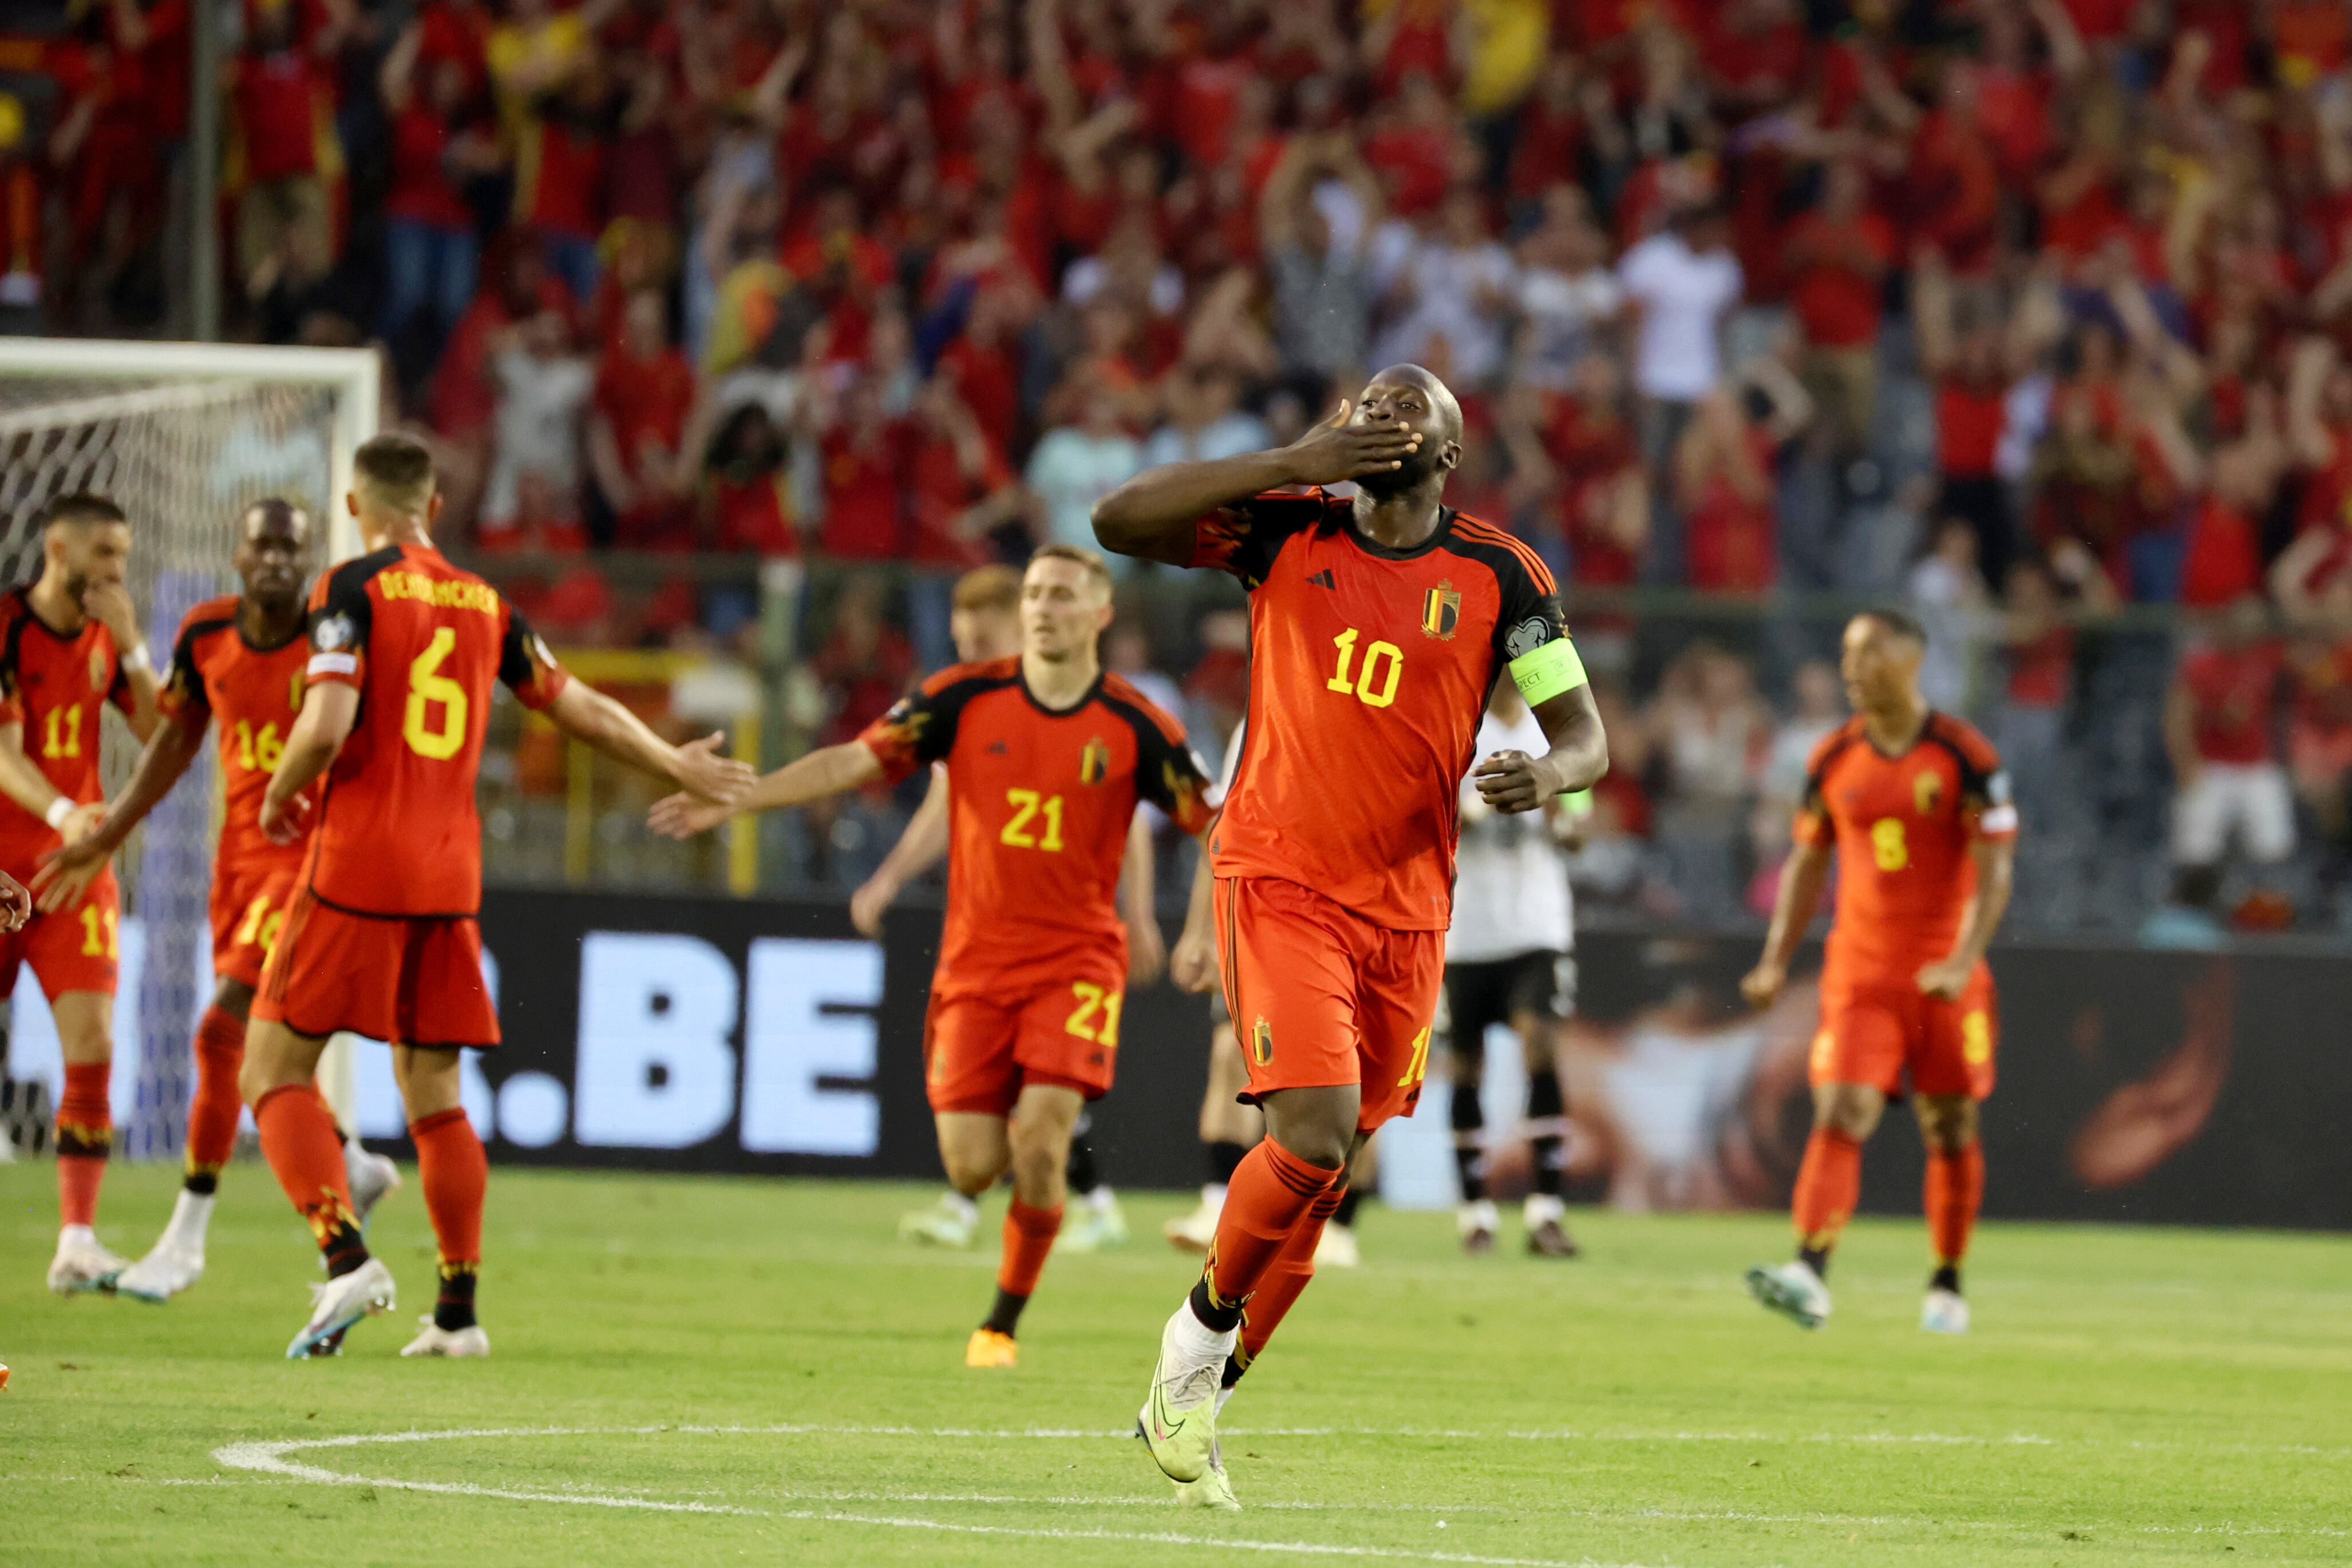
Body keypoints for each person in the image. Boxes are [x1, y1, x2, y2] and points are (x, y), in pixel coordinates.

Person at [1092, 364, 1607, 1507]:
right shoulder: (1280, 527)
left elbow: (1584, 736)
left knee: (1325, 1180)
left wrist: (1549, 775)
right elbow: (1113, 518)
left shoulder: (1499, 573)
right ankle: (1192, 1340)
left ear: (1448, 452)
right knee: (1314, 1133)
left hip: (1410, 908)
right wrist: (1288, 463)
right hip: (1278, 873)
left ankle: (1192, 1403)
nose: (1382, 422)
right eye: (1365, 408)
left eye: (1405, 412)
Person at [239, 434, 753, 1360]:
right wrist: (673, 760)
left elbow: (324, 723)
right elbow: (577, 704)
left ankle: (344, 1256)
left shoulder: (346, 588)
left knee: (270, 1069)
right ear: (435, 510)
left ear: (355, 508)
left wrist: (280, 790)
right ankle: (458, 1314)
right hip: (448, 877)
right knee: (434, 1089)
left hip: (356, 866)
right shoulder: (487, 604)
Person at [652, 547, 1212, 1369]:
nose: (1042, 608)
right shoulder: (962, 701)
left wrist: (1202, 926)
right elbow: (853, 759)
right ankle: (1002, 1238)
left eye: (1062, 596)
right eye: (1033, 595)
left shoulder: (1138, 724)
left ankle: (1002, 1322)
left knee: (1045, 1136)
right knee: (973, 1163)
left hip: (1077, 961)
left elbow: (1219, 823)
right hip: (975, 966)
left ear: (1098, 615)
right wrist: (743, 796)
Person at [34, 500, 400, 1302]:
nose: (275, 558)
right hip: (236, 868)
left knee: (220, 1031)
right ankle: (355, 1162)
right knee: (256, 1055)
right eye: (263, 543)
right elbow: (169, 739)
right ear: (237, 554)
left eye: (290, 547)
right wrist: (105, 833)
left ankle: (187, 1239)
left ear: (308, 559)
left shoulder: (333, 636)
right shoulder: (205, 637)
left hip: (312, 863)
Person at [856, 563, 1153, 1256]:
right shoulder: (968, 706)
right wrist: (888, 880)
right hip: (991, 928)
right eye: (960, 642)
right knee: (1013, 1093)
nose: (967, 655)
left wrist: (1136, 915)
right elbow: (942, 807)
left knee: (1031, 1090)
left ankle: (981, 1209)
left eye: (979, 639)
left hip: (1065, 937)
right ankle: (1083, 1201)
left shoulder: (1078, 705)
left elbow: (1131, 815)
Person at [1741, 610, 2018, 1336]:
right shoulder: (1833, 757)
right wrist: (1774, 960)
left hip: (1944, 979)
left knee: (1949, 1124)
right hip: (1860, 973)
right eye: (1844, 654)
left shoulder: (1964, 755)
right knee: (1842, 1109)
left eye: (1867, 652)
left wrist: (1960, 960)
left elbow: (1995, 873)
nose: (1850, 667)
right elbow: (1806, 864)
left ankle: (1946, 1282)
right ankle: (1808, 1271)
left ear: (1910, 659)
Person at [0, 493, 162, 1293]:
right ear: (56, 547)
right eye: (104, 554)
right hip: (5, 865)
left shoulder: (108, 639)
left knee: (93, 1045)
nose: (115, 572)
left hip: (77, 870)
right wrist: (66, 811)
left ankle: (75, 1240)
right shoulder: (3, 627)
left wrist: (134, 649)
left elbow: (165, 735)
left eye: (123, 558)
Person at [1445, 678, 1585, 1257]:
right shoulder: (1455, 724)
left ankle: (1545, 1210)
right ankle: (1475, 1212)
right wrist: (1466, 814)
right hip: (1465, 931)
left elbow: (1579, 818)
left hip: (1535, 925)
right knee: (1463, 1066)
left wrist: (1564, 821)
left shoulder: (1553, 729)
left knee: (1540, 1046)